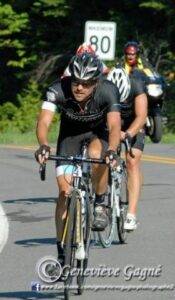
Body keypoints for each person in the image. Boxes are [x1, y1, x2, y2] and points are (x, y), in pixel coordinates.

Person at [35, 53, 121, 264]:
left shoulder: (108, 90)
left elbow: (115, 125)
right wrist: (44, 145)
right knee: (64, 192)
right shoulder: (57, 89)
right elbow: (44, 122)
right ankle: (61, 249)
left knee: (97, 156)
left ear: (96, 82)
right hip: (69, 136)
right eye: (76, 82)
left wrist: (112, 150)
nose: (79, 88)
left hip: (96, 134)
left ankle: (100, 202)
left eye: (86, 84)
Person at [107, 67, 148, 231]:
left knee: (132, 161)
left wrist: (129, 133)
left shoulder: (136, 87)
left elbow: (141, 116)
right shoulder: (103, 89)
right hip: (112, 123)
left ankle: (131, 214)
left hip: (133, 125)